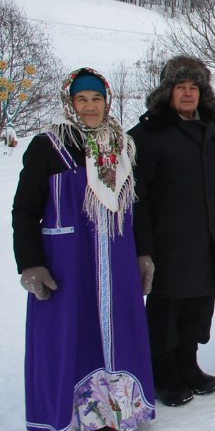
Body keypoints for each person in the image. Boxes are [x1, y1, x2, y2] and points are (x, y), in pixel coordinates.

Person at [13, 68, 155, 430]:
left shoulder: (121, 147)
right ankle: (71, 417)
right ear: (70, 102)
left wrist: (143, 255)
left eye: (96, 99)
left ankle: (115, 413)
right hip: (67, 264)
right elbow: (25, 210)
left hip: (117, 261)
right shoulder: (49, 146)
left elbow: (139, 206)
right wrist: (31, 264)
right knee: (67, 336)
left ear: (107, 102)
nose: (90, 107)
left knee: (118, 330)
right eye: (82, 99)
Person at [129, 55, 215, 407]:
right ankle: (162, 372)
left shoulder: (211, 131)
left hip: (208, 239)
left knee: (198, 307)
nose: (188, 94)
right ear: (167, 92)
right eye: (181, 87)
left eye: (194, 88)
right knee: (166, 310)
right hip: (168, 241)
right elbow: (136, 198)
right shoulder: (146, 135)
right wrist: (144, 246)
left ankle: (188, 365)